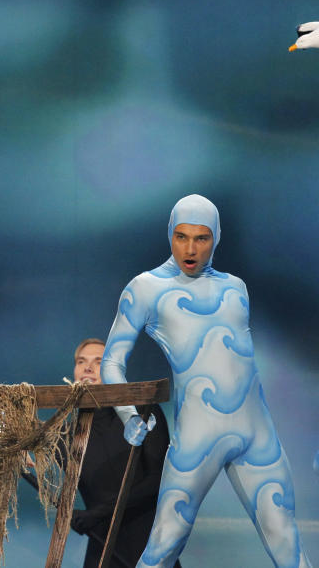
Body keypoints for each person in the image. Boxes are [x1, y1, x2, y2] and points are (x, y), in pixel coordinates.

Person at [100, 195, 311, 568]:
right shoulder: (147, 288)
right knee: (165, 546)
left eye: (202, 238)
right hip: (197, 441)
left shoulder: (236, 288)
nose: (190, 249)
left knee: (287, 546)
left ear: (216, 237)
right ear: (169, 234)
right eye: (181, 237)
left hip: (259, 436)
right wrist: (128, 415)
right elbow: (112, 362)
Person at [70, 338, 181, 568]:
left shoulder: (142, 412)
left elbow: (157, 479)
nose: (88, 367)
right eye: (81, 362)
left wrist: (96, 513)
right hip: (101, 549)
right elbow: (37, 455)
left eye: (98, 362)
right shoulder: (70, 433)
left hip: (147, 548)